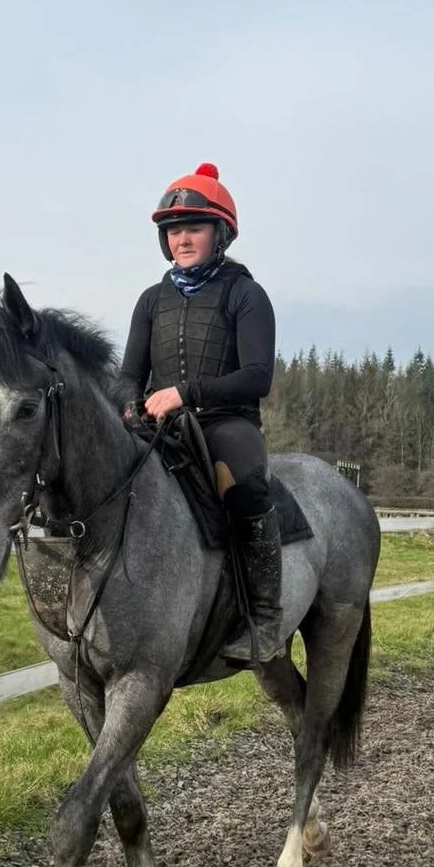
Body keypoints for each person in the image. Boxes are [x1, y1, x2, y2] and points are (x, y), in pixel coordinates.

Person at [117, 162, 284, 661]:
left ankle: (265, 615)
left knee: (245, 486)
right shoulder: (150, 301)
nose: (182, 240)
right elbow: (129, 374)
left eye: (193, 228)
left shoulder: (246, 295)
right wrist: (129, 404)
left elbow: (259, 376)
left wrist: (186, 392)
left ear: (220, 234)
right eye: (173, 232)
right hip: (162, 426)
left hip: (226, 423)